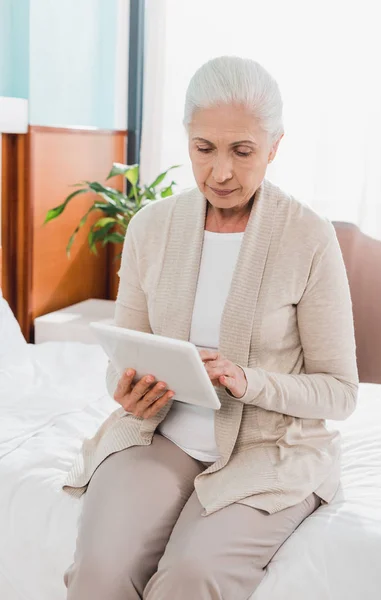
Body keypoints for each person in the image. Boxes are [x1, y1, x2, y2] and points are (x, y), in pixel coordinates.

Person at [63, 56, 358, 600]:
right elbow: (122, 360)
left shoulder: (309, 238)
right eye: (204, 149)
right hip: (161, 435)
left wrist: (248, 380)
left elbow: (339, 393)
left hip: (270, 448)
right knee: (100, 572)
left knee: (190, 578)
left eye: (242, 152)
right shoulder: (151, 227)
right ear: (187, 140)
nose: (220, 172)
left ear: (273, 147)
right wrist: (128, 392)